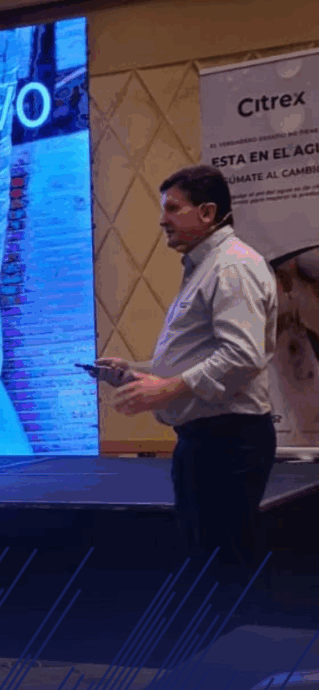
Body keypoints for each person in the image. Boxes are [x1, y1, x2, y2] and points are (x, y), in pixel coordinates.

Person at [96, 165, 278, 592]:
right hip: (208, 441)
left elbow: (242, 355)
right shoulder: (206, 266)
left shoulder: (232, 267)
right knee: (207, 563)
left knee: (223, 568)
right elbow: (200, 355)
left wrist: (166, 389)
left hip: (229, 441)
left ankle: (230, 636)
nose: (162, 220)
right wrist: (138, 373)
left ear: (208, 212)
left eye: (173, 209)